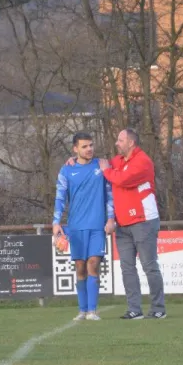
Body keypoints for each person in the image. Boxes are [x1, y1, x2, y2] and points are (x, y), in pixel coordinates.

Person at [98, 128, 166, 320]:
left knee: (149, 265)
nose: (117, 143)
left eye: (120, 140)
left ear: (131, 143)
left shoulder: (143, 161)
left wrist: (106, 171)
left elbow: (122, 179)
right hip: (123, 223)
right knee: (127, 267)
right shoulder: (118, 161)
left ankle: (158, 308)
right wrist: (76, 162)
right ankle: (134, 309)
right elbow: (101, 166)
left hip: (143, 221)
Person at [53, 132, 116, 321]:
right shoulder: (66, 170)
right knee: (80, 267)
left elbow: (109, 194)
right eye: (84, 146)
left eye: (91, 145)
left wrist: (111, 218)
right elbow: (60, 198)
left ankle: (92, 311)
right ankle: (82, 310)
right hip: (76, 226)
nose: (89, 149)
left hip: (97, 225)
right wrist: (56, 222)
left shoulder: (102, 166)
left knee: (93, 264)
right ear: (75, 149)